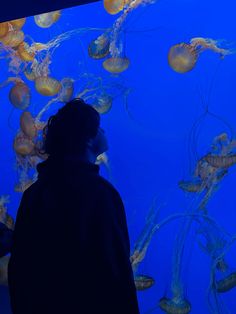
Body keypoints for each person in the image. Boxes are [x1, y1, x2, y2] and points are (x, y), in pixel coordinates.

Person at [8, 98, 139, 314]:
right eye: (99, 128)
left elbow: (20, 270)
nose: (103, 132)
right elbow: (117, 274)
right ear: (88, 139)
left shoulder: (34, 194)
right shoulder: (101, 195)